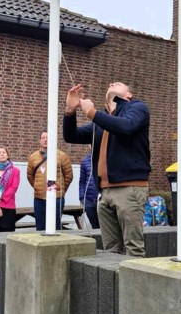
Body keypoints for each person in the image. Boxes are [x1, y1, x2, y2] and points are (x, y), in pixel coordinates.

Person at [63, 82, 150, 257]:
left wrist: (92, 113)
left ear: (128, 95)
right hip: (105, 192)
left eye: (118, 84)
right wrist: (70, 111)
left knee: (133, 249)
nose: (111, 83)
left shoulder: (137, 107)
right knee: (111, 250)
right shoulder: (102, 122)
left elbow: (126, 126)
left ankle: (132, 284)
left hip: (129, 188)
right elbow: (71, 136)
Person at [26, 131, 73, 231]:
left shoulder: (62, 156)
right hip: (39, 198)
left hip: (57, 198)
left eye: (48, 137)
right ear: (40, 140)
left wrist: (61, 189)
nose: (46, 140)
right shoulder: (33, 157)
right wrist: (39, 187)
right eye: (43, 137)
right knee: (40, 228)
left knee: (55, 227)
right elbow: (30, 176)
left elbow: (68, 176)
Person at [79, 152, 100, 229]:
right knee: (95, 226)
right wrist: (82, 197)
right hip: (89, 201)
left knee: (105, 227)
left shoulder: (106, 158)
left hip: (102, 199)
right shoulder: (85, 161)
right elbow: (82, 181)